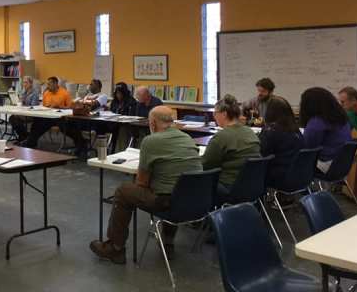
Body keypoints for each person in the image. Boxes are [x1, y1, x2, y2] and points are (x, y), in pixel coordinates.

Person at [89, 106, 202, 264]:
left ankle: (115, 248)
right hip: (193, 202)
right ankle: (168, 242)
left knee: (123, 191)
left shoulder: (150, 141)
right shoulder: (187, 138)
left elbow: (141, 183)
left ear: (153, 124)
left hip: (167, 202)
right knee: (173, 189)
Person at [202, 94, 260, 201]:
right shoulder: (250, 132)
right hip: (253, 185)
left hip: (229, 186)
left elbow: (206, 165)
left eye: (215, 113)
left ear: (224, 114)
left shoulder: (221, 137)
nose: (214, 116)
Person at [300, 87, 352, 172]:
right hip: (342, 163)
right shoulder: (342, 117)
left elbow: (308, 147)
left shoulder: (317, 122)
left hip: (326, 164)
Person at [258, 97, 303, 187]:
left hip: (278, 177)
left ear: (270, 112)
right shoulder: (296, 130)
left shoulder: (270, 131)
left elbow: (262, 154)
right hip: (298, 174)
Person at [24, 77, 73, 149]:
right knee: (37, 121)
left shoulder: (65, 93)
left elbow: (70, 108)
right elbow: (44, 106)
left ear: (55, 84)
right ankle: (31, 142)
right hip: (48, 117)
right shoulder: (46, 93)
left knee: (65, 126)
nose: (47, 86)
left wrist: (59, 107)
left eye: (49, 84)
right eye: (47, 84)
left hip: (59, 118)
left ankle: (29, 142)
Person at [9, 76, 40, 141]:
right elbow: (20, 102)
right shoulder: (23, 91)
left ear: (31, 83)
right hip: (23, 113)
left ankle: (23, 136)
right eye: (23, 82)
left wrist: (23, 104)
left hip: (31, 114)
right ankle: (24, 136)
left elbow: (33, 106)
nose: (24, 84)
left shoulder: (35, 92)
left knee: (15, 118)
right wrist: (18, 101)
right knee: (12, 118)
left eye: (26, 82)